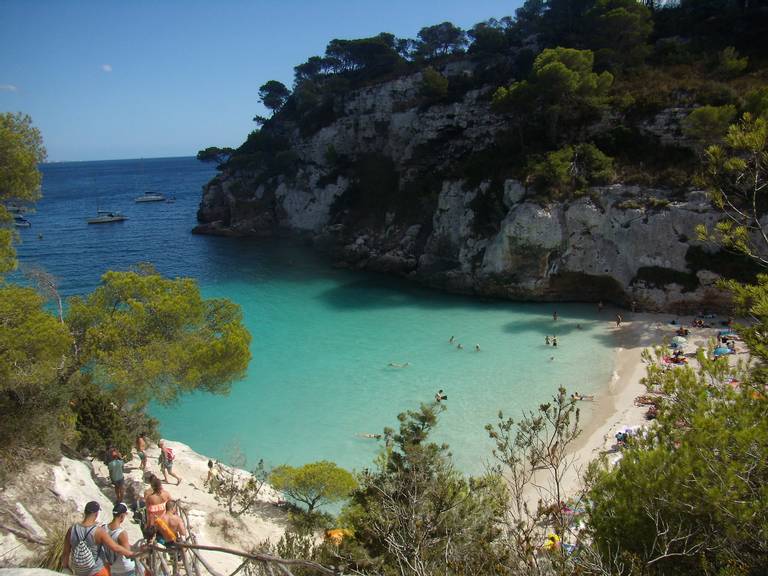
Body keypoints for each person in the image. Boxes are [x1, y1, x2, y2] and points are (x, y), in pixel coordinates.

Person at [63, 501, 134, 576]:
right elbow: (115, 547)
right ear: (96, 514)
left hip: (80, 571)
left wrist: (66, 567)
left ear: (85, 512)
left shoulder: (72, 530)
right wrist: (132, 554)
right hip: (97, 571)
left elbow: (65, 552)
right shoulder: (98, 531)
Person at [105, 502, 138, 576]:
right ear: (122, 516)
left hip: (112, 568)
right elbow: (127, 553)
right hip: (125, 568)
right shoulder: (121, 533)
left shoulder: (103, 528)